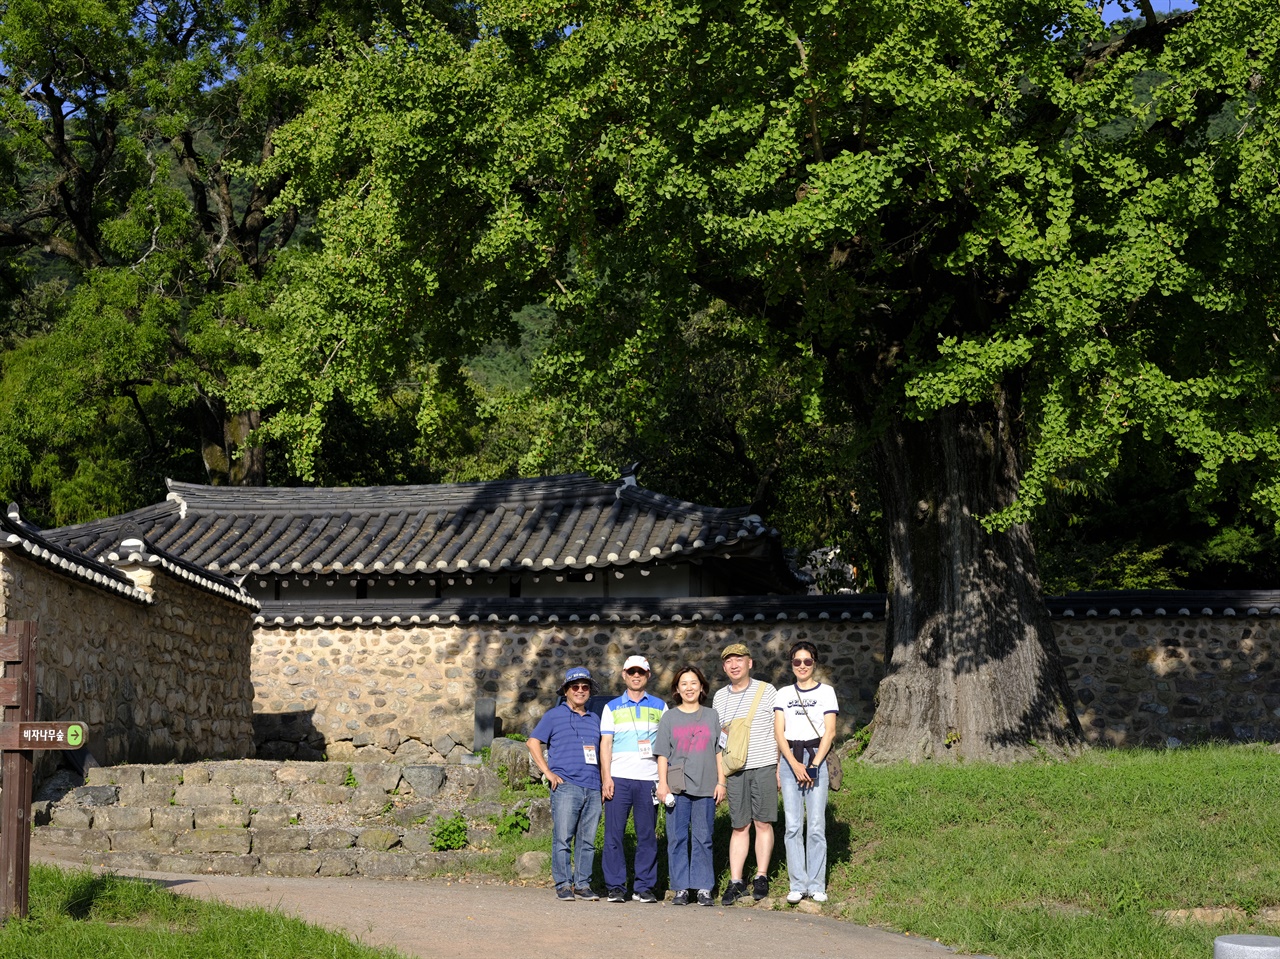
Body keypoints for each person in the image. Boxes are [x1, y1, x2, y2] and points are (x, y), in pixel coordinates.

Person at [527, 665, 603, 901]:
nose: (580, 690)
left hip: (593, 786)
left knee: (587, 840)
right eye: (575, 687)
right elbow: (532, 742)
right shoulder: (553, 715)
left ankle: (582, 884)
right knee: (563, 838)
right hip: (566, 785)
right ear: (566, 691)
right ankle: (563, 883)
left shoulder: (595, 719)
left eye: (585, 687)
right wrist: (548, 772)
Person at [711, 642, 778, 905]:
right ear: (724, 666)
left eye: (739, 659)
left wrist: (779, 766)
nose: (734, 664)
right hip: (734, 770)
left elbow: (778, 730)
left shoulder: (767, 690)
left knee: (763, 822)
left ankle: (761, 876)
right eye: (729, 661)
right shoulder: (719, 696)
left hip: (763, 765)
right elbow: (719, 740)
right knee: (739, 825)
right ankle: (736, 880)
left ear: (750, 663)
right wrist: (721, 777)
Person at [773, 640, 839, 904]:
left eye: (807, 661)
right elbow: (779, 732)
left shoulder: (827, 693)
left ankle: (817, 884)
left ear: (814, 663)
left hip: (817, 761)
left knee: (815, 826)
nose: (802, 666)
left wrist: (813, 765)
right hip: (791, 762)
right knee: (791, 826)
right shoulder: (784, 694)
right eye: (797, 661)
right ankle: (797, 884)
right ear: (792, 664)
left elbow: (830, 731)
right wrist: (792, 763)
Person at [655, 664, 726, 906]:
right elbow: (663, 754)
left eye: (693, 683)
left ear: (702, 687)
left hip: (706, 785)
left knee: (703, 837)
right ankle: (681, 887)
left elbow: (719, 751)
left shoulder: (712, 715)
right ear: (677, 688)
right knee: (676, 837)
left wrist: (722, 782)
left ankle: (703, 886)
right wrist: (662, 784)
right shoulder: (669, 717)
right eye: (683, 683)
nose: (689, 688)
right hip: (677, 788)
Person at [600, 654, 667, 903]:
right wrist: (606, 777)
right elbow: (605, 744)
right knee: (614, 835)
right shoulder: (611, 707)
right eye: (631, 672)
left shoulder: (661, 706)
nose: (636, 676)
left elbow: (665, 747)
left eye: (641, 672)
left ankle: (644, 887)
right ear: (624, 675)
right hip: (619, 778)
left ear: (648, 675)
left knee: (647, 835)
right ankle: (616, 886)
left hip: (648, 780)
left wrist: (662, 781)